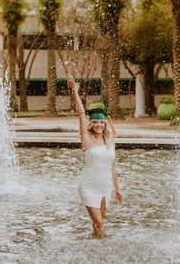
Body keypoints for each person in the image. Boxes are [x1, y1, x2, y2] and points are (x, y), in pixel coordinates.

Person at [67, 73, 123, 238]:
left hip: (105, 187)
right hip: (89, 186)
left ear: (105, 123)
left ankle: (95, 247)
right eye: (95, 122)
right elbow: (81, 114)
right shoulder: (87, 140)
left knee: (97, 226)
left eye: (101, 122)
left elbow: (112, 167)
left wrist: (118, 190)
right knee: (100, 224)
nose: (98, 125)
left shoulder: (109, 140)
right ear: (91, 124)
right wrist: (74, 90)